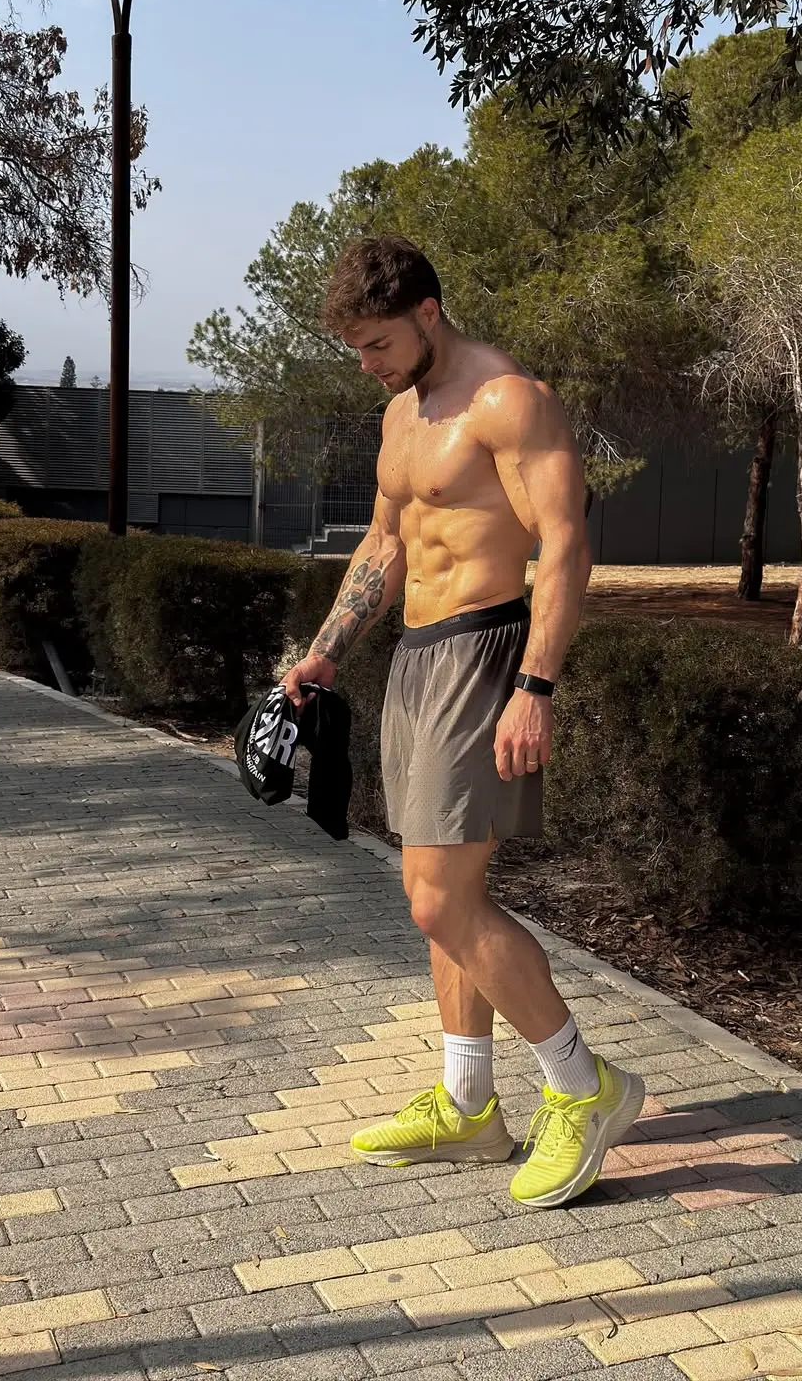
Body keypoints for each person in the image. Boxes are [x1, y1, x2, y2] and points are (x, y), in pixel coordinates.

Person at [281, 235, 645, 1208]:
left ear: (428, 314)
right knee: (437, 892)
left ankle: (585, 1086)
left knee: (442, 902)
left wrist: (536, 686)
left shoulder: (509, 402)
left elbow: (564, 545)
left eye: (379, 344)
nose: (369, 364)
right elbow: (386, 541)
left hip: (486, 653)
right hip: (415, 656)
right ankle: (470, 1105)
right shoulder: (401, 414)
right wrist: (326, 650)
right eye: (357, 349)